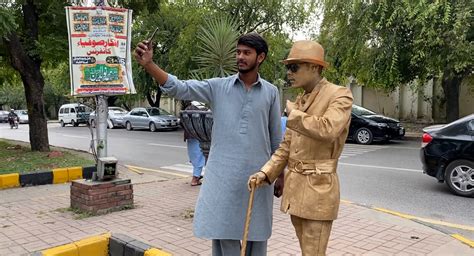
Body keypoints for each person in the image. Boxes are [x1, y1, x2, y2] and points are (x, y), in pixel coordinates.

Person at [134, 32, 281, 255]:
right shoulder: (217, 87)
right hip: (223, 178)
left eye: (247, 53)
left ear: (260, 57)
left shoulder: (271, 92)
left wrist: (280, 174)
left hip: (258, 179)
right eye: (238, 52)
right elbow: (179, 87)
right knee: (224, 235)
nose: (240, 57)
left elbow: (276, 138)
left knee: (256, 235)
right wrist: (150, 64)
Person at [248, 40, 353, 255]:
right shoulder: (301, 100)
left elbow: (329, 129)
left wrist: (294, 115)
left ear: (315, 67)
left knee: (313, 252)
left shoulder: (339, 95)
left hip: (319, 189)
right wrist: (265, 172)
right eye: (288, 67)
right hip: (297, 191)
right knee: (307, 250)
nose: (289, 72)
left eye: (294, 67)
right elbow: (286, 147)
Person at [183, 101, 206, 186]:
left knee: (194, 156)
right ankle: (195, 179)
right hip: (199, 136)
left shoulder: (187, 110)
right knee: (200, 157)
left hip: (190, 136)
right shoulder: (202, 109)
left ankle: (197, 176)